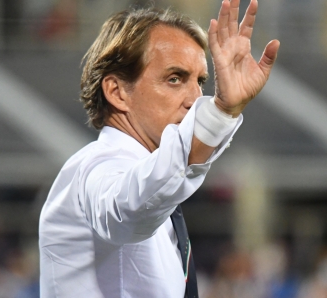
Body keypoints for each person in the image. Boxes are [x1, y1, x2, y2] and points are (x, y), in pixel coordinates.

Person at [38, 0, 279, 297]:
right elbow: (127, 208)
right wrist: (219, 114)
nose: (195, 99)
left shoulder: (154, 179)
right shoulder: (93, 168)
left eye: (200, 81)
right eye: (174, 78)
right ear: (117, 92)